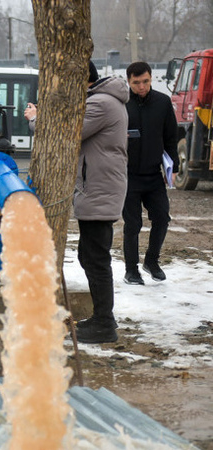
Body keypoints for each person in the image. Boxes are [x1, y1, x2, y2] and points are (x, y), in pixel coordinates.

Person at [29, 62, 129, 344]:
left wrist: (36, 119)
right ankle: (102, 318)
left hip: (99, 190)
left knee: (96, 259)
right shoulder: (104, 100)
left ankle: (104, 323)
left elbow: (65, 132)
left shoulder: (101, 103)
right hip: (97, 189)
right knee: (90, 256)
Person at [122, 62, 178, 285]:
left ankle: (152, 261)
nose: (142, 86)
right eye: (136, 83)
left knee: (162, 217)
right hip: (128, 175)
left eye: (145, 81)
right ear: (129, 81)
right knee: (133, 224)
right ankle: (131, 270)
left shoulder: (163, 102)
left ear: (151, 78)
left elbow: (171, 138)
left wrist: (173, 168)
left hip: (154, 174)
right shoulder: (121, 104)